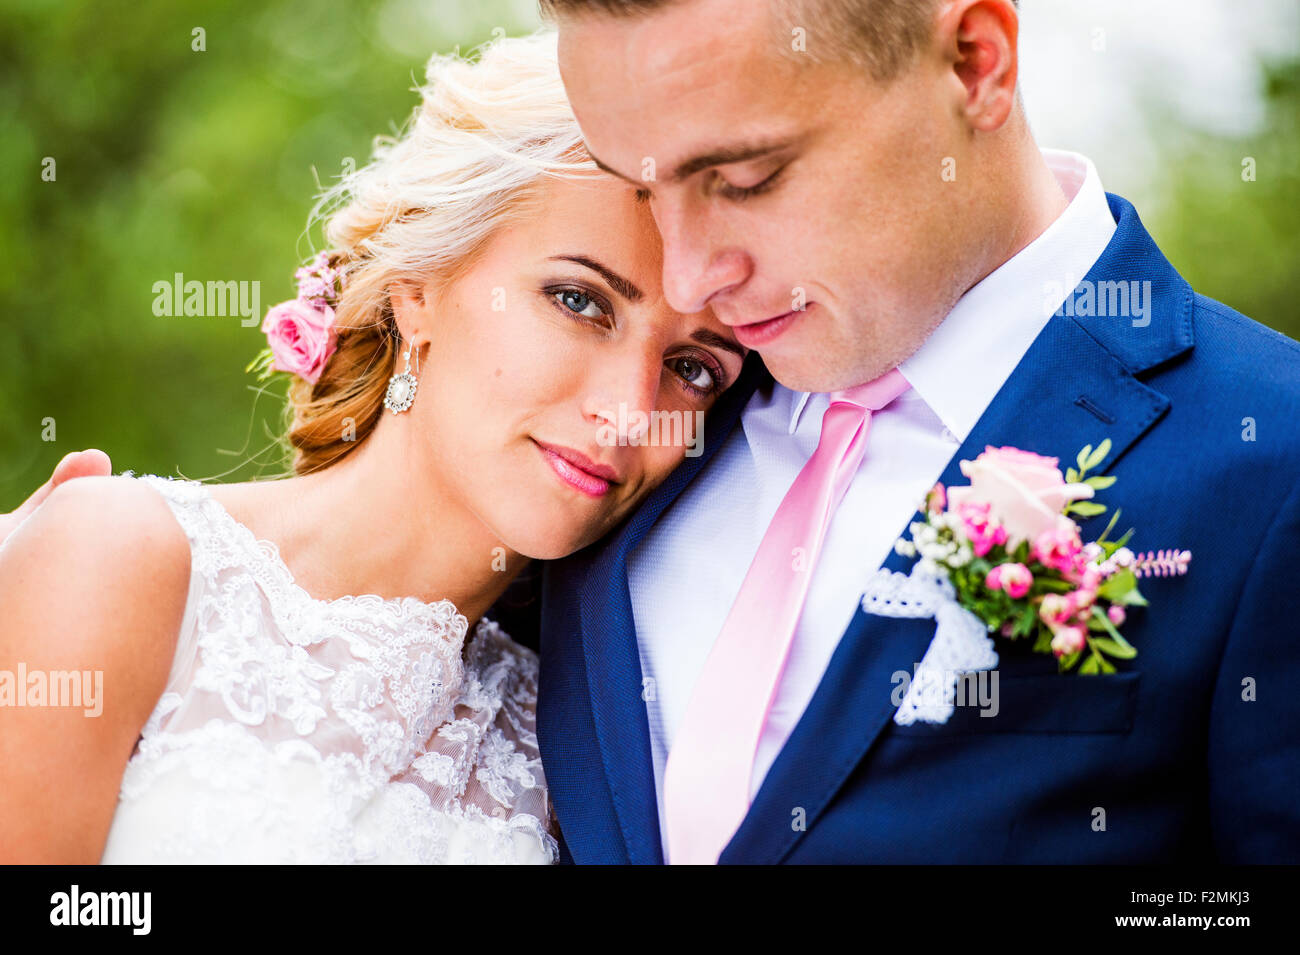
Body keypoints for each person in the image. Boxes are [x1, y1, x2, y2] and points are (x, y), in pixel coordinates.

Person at [530, 0, 1300, 863]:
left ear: (977, 64)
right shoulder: (639, 419)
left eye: (746, 180)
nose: (687, 279)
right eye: (640, 188)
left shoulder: (1272, 457)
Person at [0, 32, 745, 864]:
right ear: (418, 288)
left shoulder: (578, 750)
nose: (631, 411)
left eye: (693, 367)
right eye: (579, 300)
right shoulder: (123, 560)